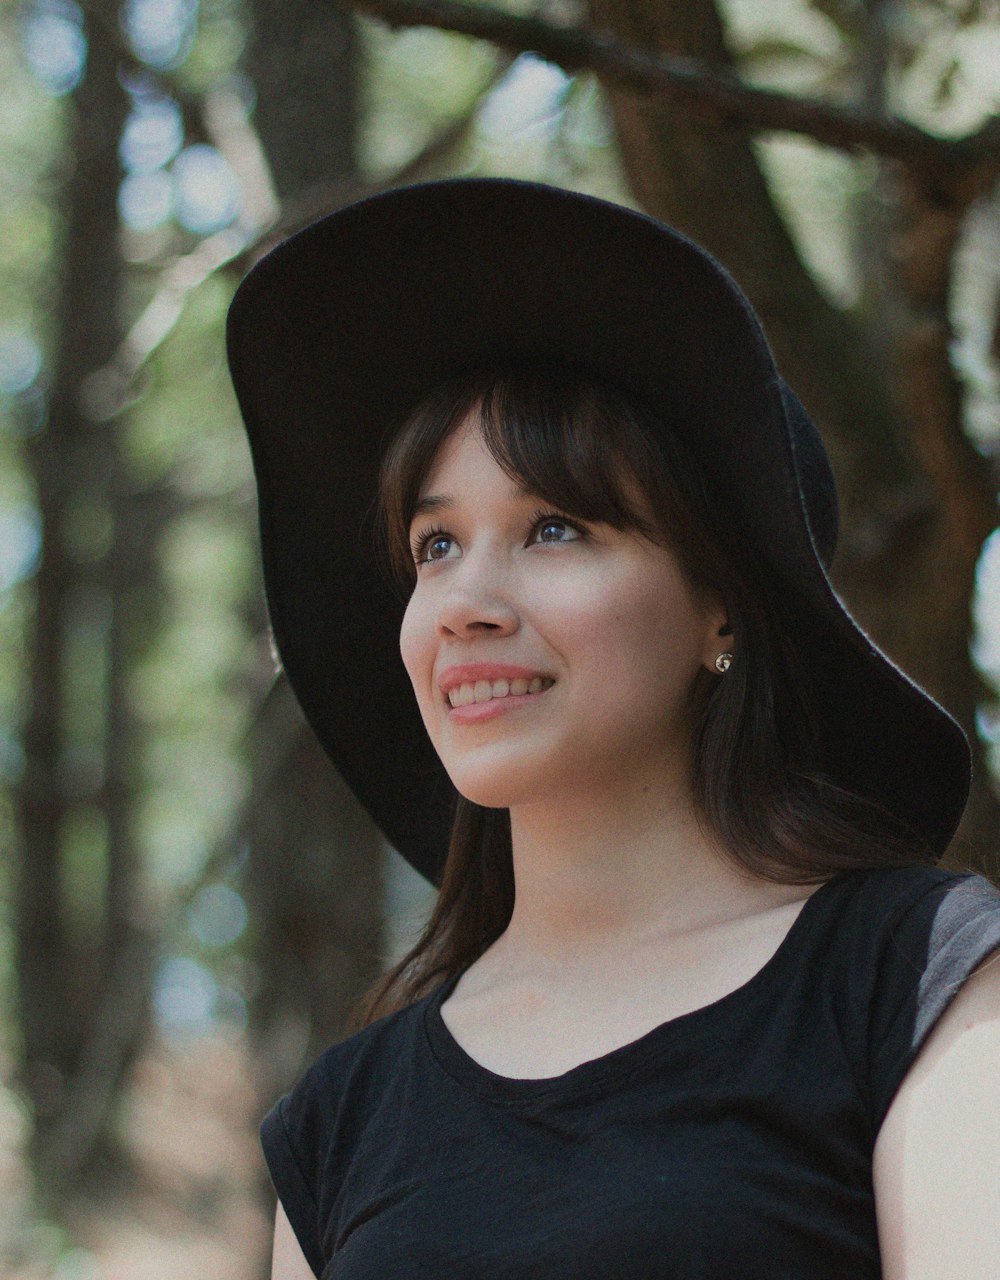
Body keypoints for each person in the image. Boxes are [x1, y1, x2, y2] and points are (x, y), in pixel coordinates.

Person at [226, 178, 1000, 1280]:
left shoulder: (912, 975)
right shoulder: (341, 1117)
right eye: (434, 546)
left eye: (552, 526)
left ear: (719, 607)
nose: (464, 602)